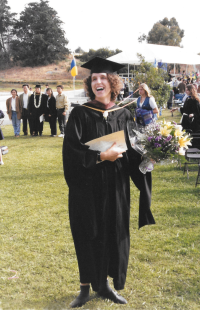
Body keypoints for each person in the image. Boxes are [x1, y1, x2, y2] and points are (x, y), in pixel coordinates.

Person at [63, 57, 155, 308]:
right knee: (87, 233)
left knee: (112, 234)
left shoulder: (124, 114)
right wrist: (101, 156)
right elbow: (71, 153)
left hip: (116, 187)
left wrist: (151, 157)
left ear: (113, 83)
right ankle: (84, 288)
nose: (98, 82)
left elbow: (134, 151)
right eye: (94, 79)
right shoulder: (80, 114)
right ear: (89, 84)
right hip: (86, 188)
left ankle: (105, 286)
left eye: (103, 78)